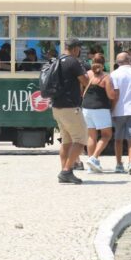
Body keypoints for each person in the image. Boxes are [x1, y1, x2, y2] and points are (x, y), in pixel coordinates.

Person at [50, 38, 89, 184]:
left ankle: (64, 171)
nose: (79, 51)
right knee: (80, 140)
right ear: (75, 49)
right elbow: (85, 81)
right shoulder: (73, 61)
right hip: (70, 107)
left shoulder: (56, 60)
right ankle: (66, 171)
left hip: (57, 106)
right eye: (79, 48)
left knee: (66, 141)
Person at [110, 51, 131, 175]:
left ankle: (119, 164)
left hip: (119, 110)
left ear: (118, 62)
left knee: (118, 138)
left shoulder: (114, 74)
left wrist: (112, 109)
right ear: (129, 60)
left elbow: (115, 94)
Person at [82, 53, 115, 173]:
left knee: (91, 136)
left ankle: (91, 168)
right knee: (106, 135)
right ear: (103, 63)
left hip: (86, 108)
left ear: (92, 61)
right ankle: (94, 158)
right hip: (100, 108)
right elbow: (111, 95)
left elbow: (82, 89)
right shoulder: (105, 77)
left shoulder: (88, 74)